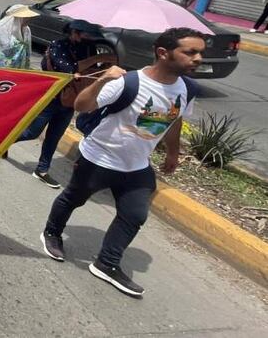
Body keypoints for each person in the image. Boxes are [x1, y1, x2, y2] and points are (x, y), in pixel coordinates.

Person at [40, 27, 204, 298]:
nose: (198, 58)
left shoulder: (188, 88)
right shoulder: (127, 82)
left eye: (200, 52)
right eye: (190, 52)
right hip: (99, 158)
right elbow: (81, 105)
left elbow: (176, 120)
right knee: (73, 198)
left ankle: (107, 262)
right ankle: (52, 233)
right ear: (163, 53)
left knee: (135, 214)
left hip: (136, 165)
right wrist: (103, 79)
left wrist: (173, 153)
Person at [9, 19, 102, 187]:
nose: (89, 38)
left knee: (54, 137)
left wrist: (104, 62)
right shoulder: (58, 45)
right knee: (32, 132)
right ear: (75, 32)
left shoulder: (89, 47)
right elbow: (68, 68)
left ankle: (42, 170)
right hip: (50, 97)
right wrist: (95, 60)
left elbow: (92, 70)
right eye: (86, 34)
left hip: (69, 100)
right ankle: (1, 144)